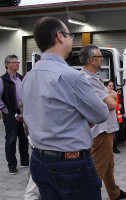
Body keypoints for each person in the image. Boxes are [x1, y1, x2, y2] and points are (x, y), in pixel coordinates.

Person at [21, 17, 109, 200]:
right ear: (60, 36)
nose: (71, 39)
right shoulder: (71, 77)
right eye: (70, 34)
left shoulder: (29, 77)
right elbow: (101, 113)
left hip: (38, 160)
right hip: (70, 165)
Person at [79, 44, 126, 200]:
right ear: (92, 60)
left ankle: (114, 193)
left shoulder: (93, 78)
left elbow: (107, 97)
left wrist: (110, 94)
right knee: (97, 169)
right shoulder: (89, 79)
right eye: (100, 56)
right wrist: (113, 94)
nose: (102, 59)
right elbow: (111, 103)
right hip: (100, 131)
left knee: (108, 165)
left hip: (106, 129)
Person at [0, 54, 29, 175]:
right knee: (11, 139)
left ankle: (25, 161)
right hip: (10, 113)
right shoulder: (3, 80)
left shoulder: (21, 78)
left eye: (18, 62)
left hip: (22, 113)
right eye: (14, 62)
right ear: (7, 64)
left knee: (23, 138)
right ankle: (12, 165)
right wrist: (5, 110)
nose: (17, 64)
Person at [104, 81, 122, 154]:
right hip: (106, 116)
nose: (111, 87)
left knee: (115, 132)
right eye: (109, 86)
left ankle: (114, 146)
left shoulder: (114, 94)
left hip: (114, 115)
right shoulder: (104, 94)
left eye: (112, 86)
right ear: (106, 87)